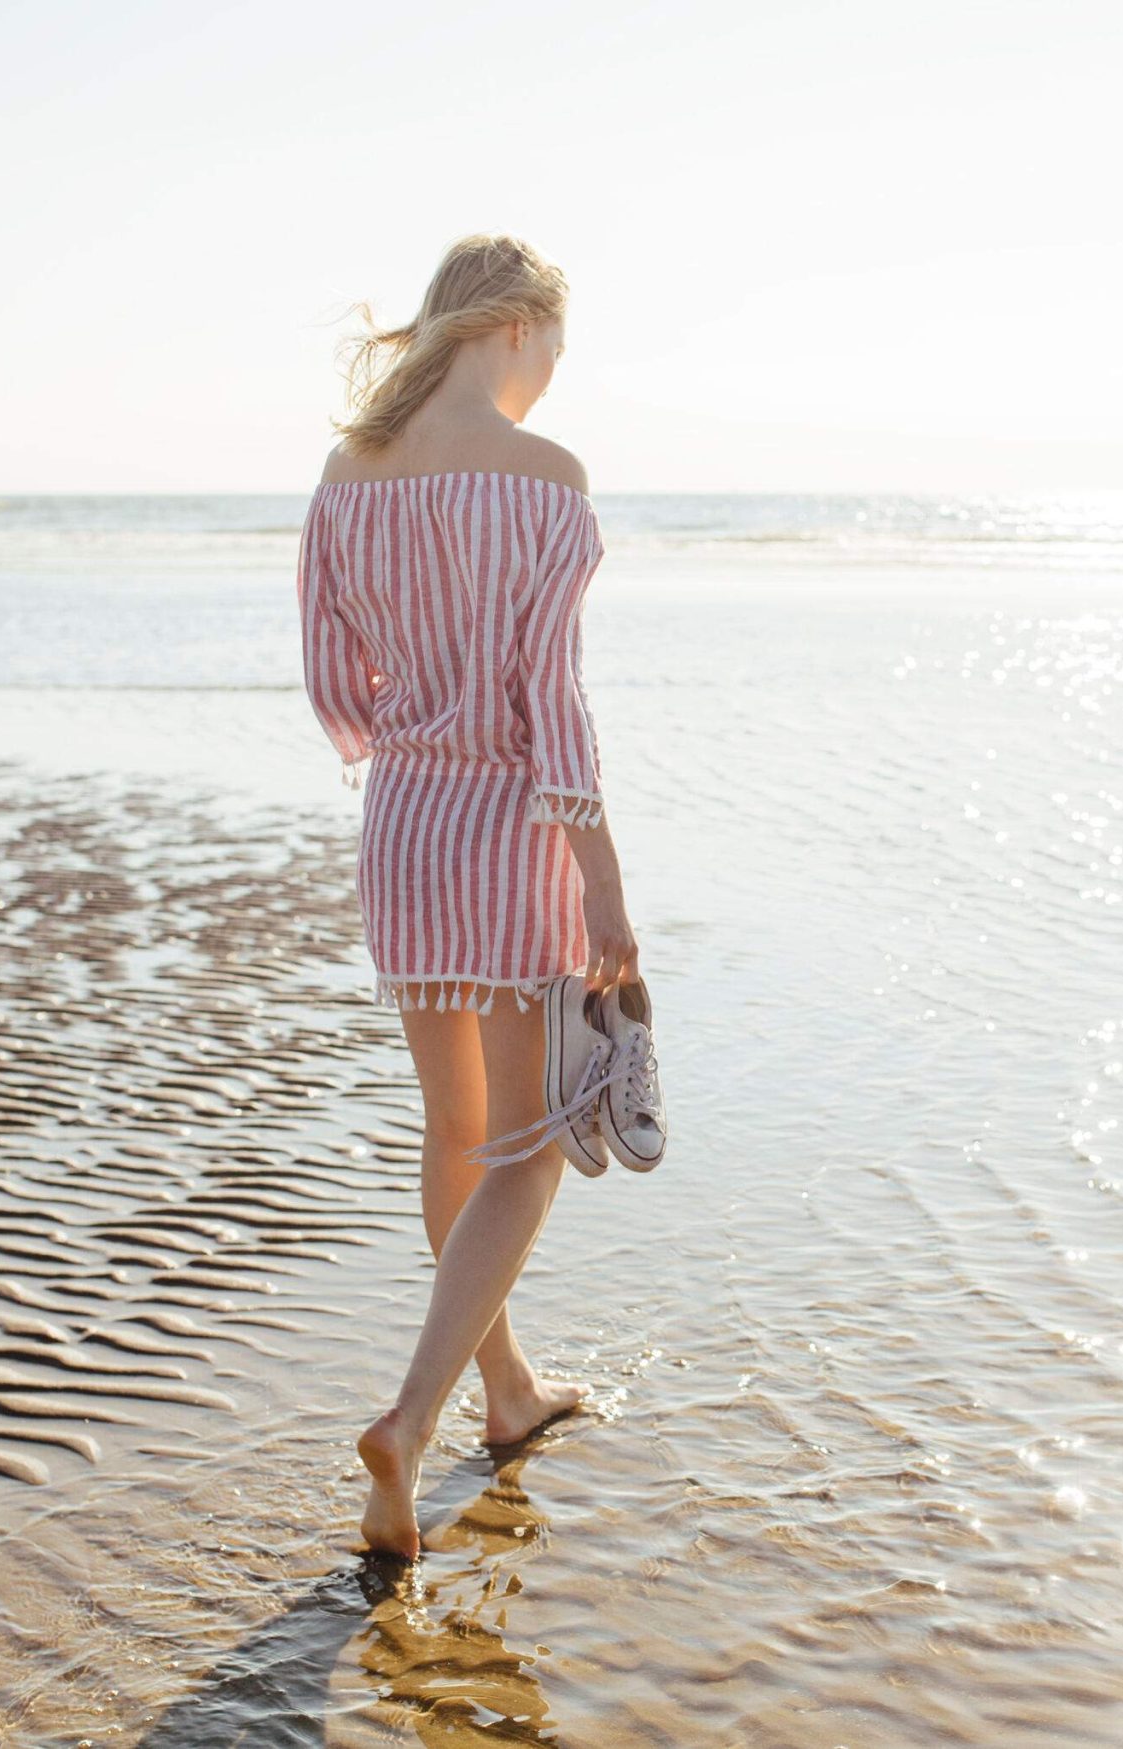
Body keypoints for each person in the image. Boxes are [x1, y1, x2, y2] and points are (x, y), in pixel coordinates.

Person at [295, 233, 639, 1559]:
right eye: (555, 343)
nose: (555, 370)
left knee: (457, 1132)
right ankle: (413, 1413)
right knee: (531, 1143)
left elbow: (337, 685)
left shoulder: (346, 473)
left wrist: (412, 747)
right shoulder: (546, 479)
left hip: (404, 823)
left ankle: (505, 1388)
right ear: (518, 327)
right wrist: (603, 883)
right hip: (509, 819)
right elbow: (553, 706)